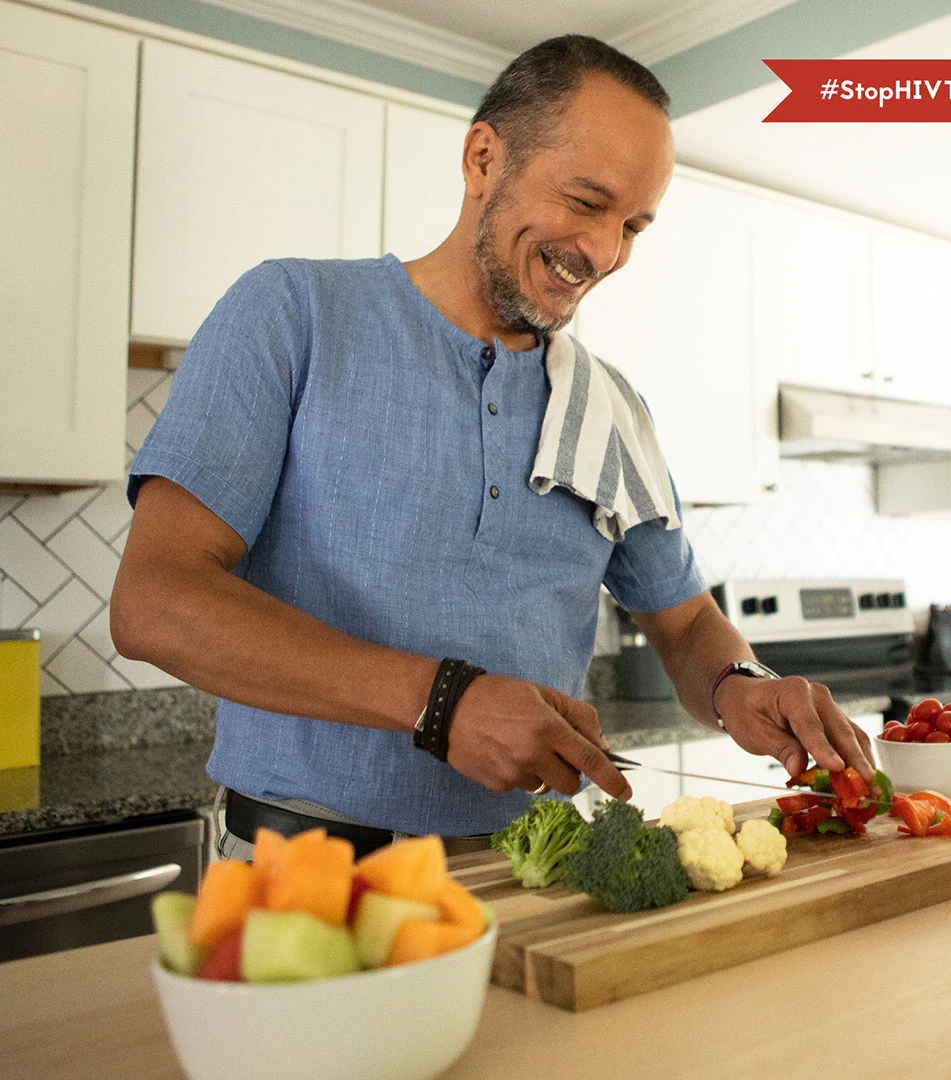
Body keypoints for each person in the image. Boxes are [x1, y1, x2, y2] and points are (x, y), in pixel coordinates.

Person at [111, 35, 873, 857]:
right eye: (586, 202)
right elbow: (155, 601)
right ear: (483, 158)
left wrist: (740, 686)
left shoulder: (610, 405)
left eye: (633, 227)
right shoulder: (295, 314)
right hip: (301, 871)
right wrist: (443, 703)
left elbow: (685, 625)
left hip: (531, 873)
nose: (605, 254)